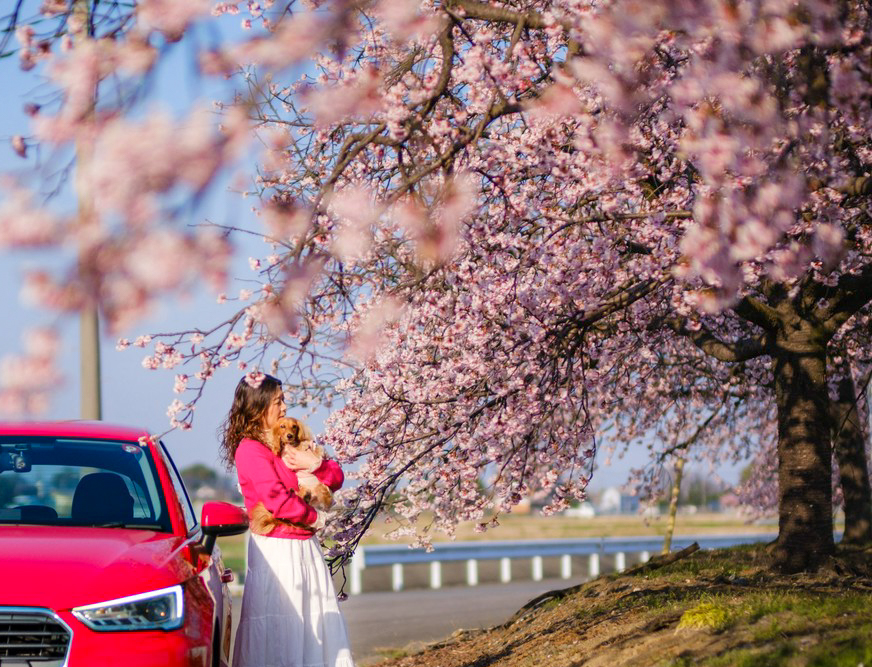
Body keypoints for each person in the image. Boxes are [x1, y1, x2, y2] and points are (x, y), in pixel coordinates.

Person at [220, 374, 355, 667]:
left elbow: (336, 478)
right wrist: (315, 519)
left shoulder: (291, 443)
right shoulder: (251, 450)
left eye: (283, 401)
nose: (284, 407)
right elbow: (276, 500)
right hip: (277, 550)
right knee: (284, 623)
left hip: (304, 547)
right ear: (259, 406)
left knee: (311, 618)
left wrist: (316, 464)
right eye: (278, 401)